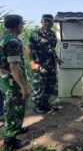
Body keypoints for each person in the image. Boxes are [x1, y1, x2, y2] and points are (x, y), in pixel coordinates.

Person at [0, 15, 30, 149]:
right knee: (14, 108)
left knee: (11, 107)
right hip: (13, 82)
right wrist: (23, 87)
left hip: (4, 80)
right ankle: (10, 141)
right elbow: (14, 67)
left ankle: (15, 128)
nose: (22, 27)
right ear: (18, 25)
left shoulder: (2, 37)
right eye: (21, 24)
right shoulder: (12, 40)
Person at [27, 14, 62, 114]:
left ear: (52, 23)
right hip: (40, 65)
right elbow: (29, 48)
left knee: (50, 84)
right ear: (41, 22)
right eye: (45, 21)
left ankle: (45, 104)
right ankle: (37, 106)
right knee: (40, 85)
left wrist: (56, 58)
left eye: (49, 21)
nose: (47, 23)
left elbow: (51, 49)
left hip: (51, 65)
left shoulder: (52, 34)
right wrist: (32, 62)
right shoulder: (36, 34)